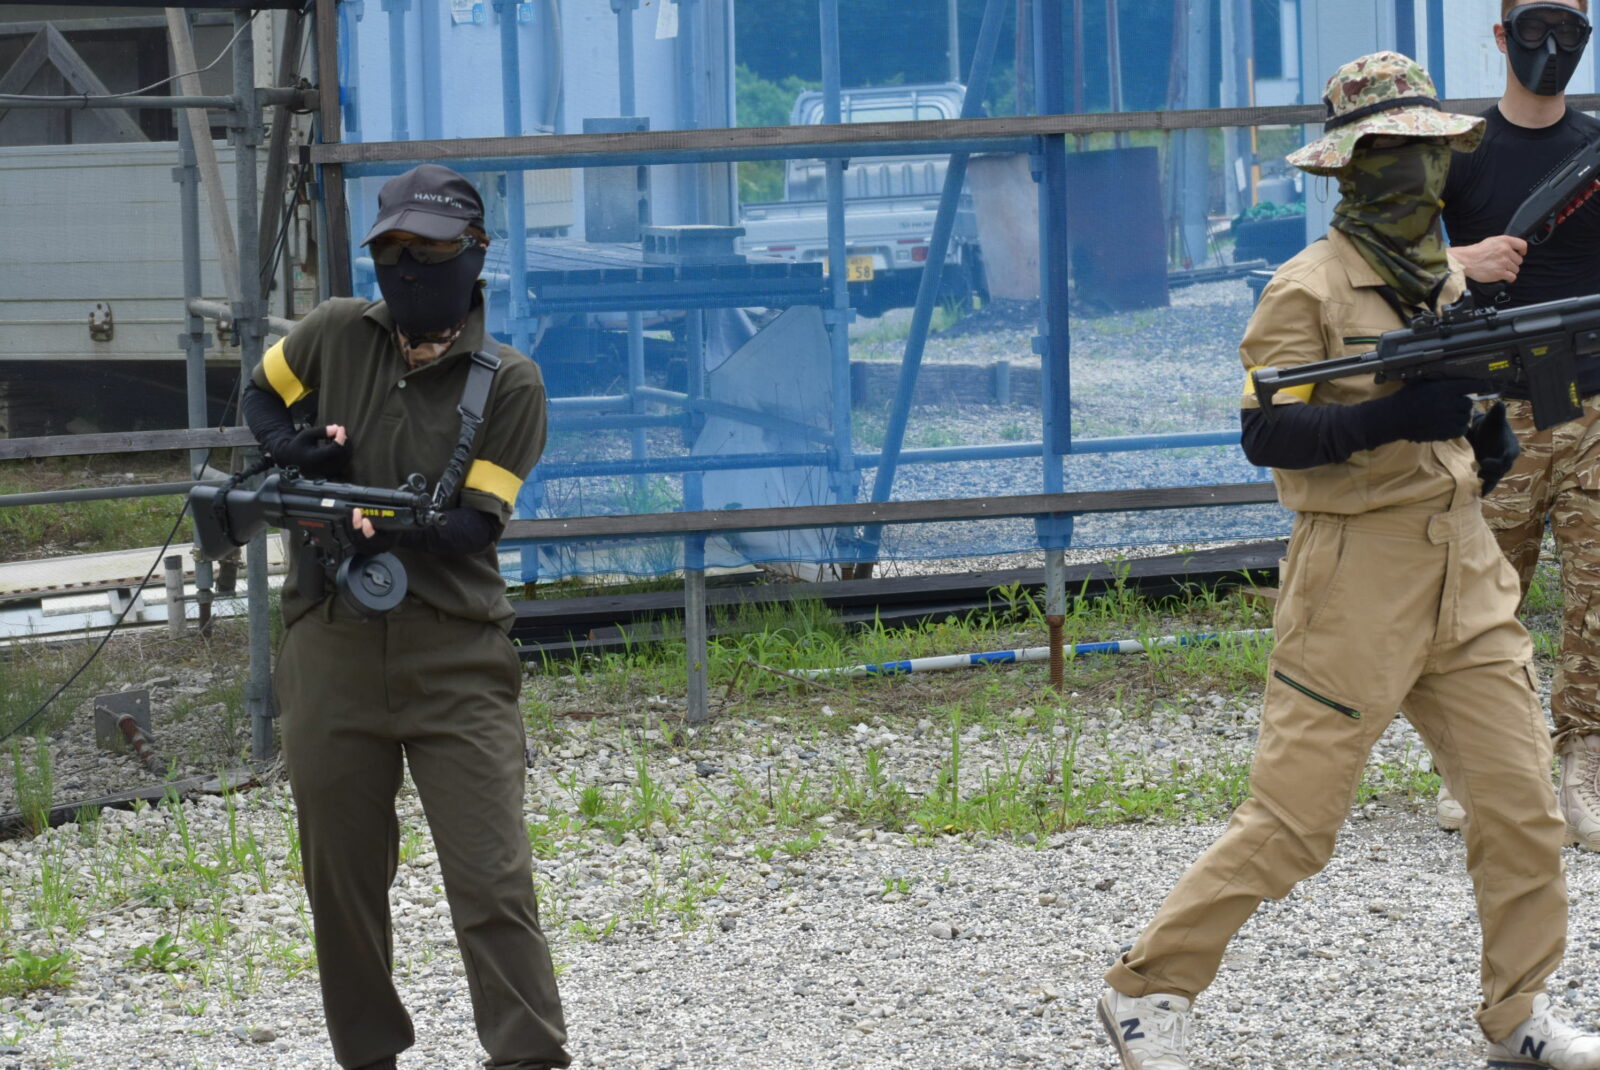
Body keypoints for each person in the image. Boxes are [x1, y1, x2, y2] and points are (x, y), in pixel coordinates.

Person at [1097, 53, 1600, 1070]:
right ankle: (1146, 992)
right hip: (1355, 578)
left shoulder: (1444, 276)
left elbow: (1463, 411)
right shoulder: (1306, 289)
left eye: (1427, 151)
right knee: (1294, 822)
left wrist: (1480, 436)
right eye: (1389, 153)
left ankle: (1517, 1012)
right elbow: (1267, 433)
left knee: (1521, 809)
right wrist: (1393, 417)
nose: (1414, 172)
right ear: (1346, 167)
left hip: (1462, 565)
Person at [241, 164, 568, 1070]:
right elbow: (259, 392)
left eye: (430, 250)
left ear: (475, 254)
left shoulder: (510, 383)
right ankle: (368, 1055)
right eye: (393, 249)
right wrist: (291, 448)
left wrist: (393, 525)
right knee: (341, 885)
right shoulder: (334, 332)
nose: (409, 267)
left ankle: (529, 1055)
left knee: (493, 880)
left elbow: (475, 525)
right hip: (330, 647)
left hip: (455, 658)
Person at [1432, 0, 1600, 849]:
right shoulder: (1457, 152)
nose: (1551, 46)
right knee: (1483, 597)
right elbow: (1368, 258)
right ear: (1501, 35)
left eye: (1570, 29)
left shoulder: (1594, 150)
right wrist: (1462, 259)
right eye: (1534, 28)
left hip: (1596, 405)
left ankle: (1586, 760)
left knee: (1597, 597)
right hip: (1494, 412)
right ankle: (1483, 764)